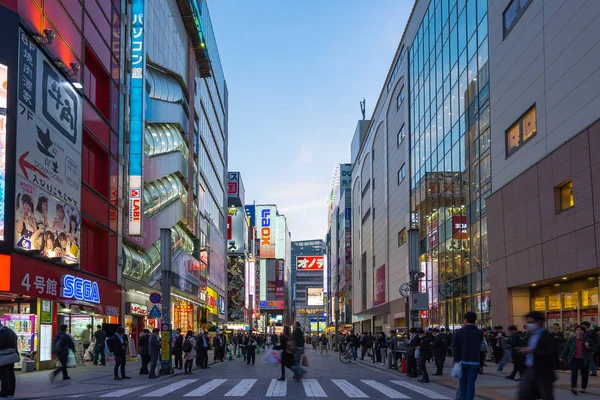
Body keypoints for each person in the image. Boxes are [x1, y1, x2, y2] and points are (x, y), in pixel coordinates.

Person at [518, 311, 557, 400]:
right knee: (523, 394)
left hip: (543, 372)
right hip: (529, 369)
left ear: (539, 322)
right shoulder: (530, 335)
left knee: (546, 395)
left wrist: (533, 351)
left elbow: (552, 353)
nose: (529, 325)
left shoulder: (548, 336)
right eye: (527, 322)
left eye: (531, 322)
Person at [453, 312, 484, 400]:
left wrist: (456, 359)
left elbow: (454, 347)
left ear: (465, 320)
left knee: (462, 385)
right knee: (471, 384)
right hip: (474, 361)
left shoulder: (459, 332)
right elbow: (480, 346)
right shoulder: (479, 332)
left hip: (462, 361)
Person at [560, 325, 596, 394]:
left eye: (581, 330)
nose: (579, 332)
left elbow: (595, 349)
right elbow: (566, 349)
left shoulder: (588, 340)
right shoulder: (571, 339)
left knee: (584, 374)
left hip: (584, 359)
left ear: (584, 332)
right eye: (577, 330)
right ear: (575, 331)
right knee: (574, 373)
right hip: (574, 359)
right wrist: (562, 357)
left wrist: (588, 347)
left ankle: (583, 387)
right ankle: (574, 387)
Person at [0, 324, 18, 397]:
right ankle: (11, 390)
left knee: (4, 374)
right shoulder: (11, 332)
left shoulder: (1, 333)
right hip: (12, 355)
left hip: (4, 355)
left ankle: (4, 391)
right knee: (11, 373)